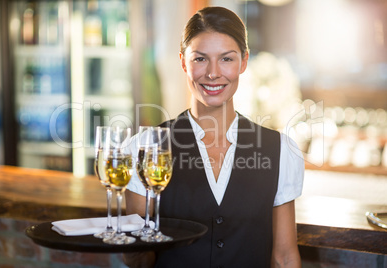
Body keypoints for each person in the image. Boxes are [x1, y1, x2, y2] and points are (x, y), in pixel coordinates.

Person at [124, 6, 304, 268]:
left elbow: (284, 257)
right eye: (200, 59)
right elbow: (139, 260)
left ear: (243, 62)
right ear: (183, 62)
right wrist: (131, 241)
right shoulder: (145, 147)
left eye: (226, 59)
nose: (212, 73)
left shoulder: (280, 150)